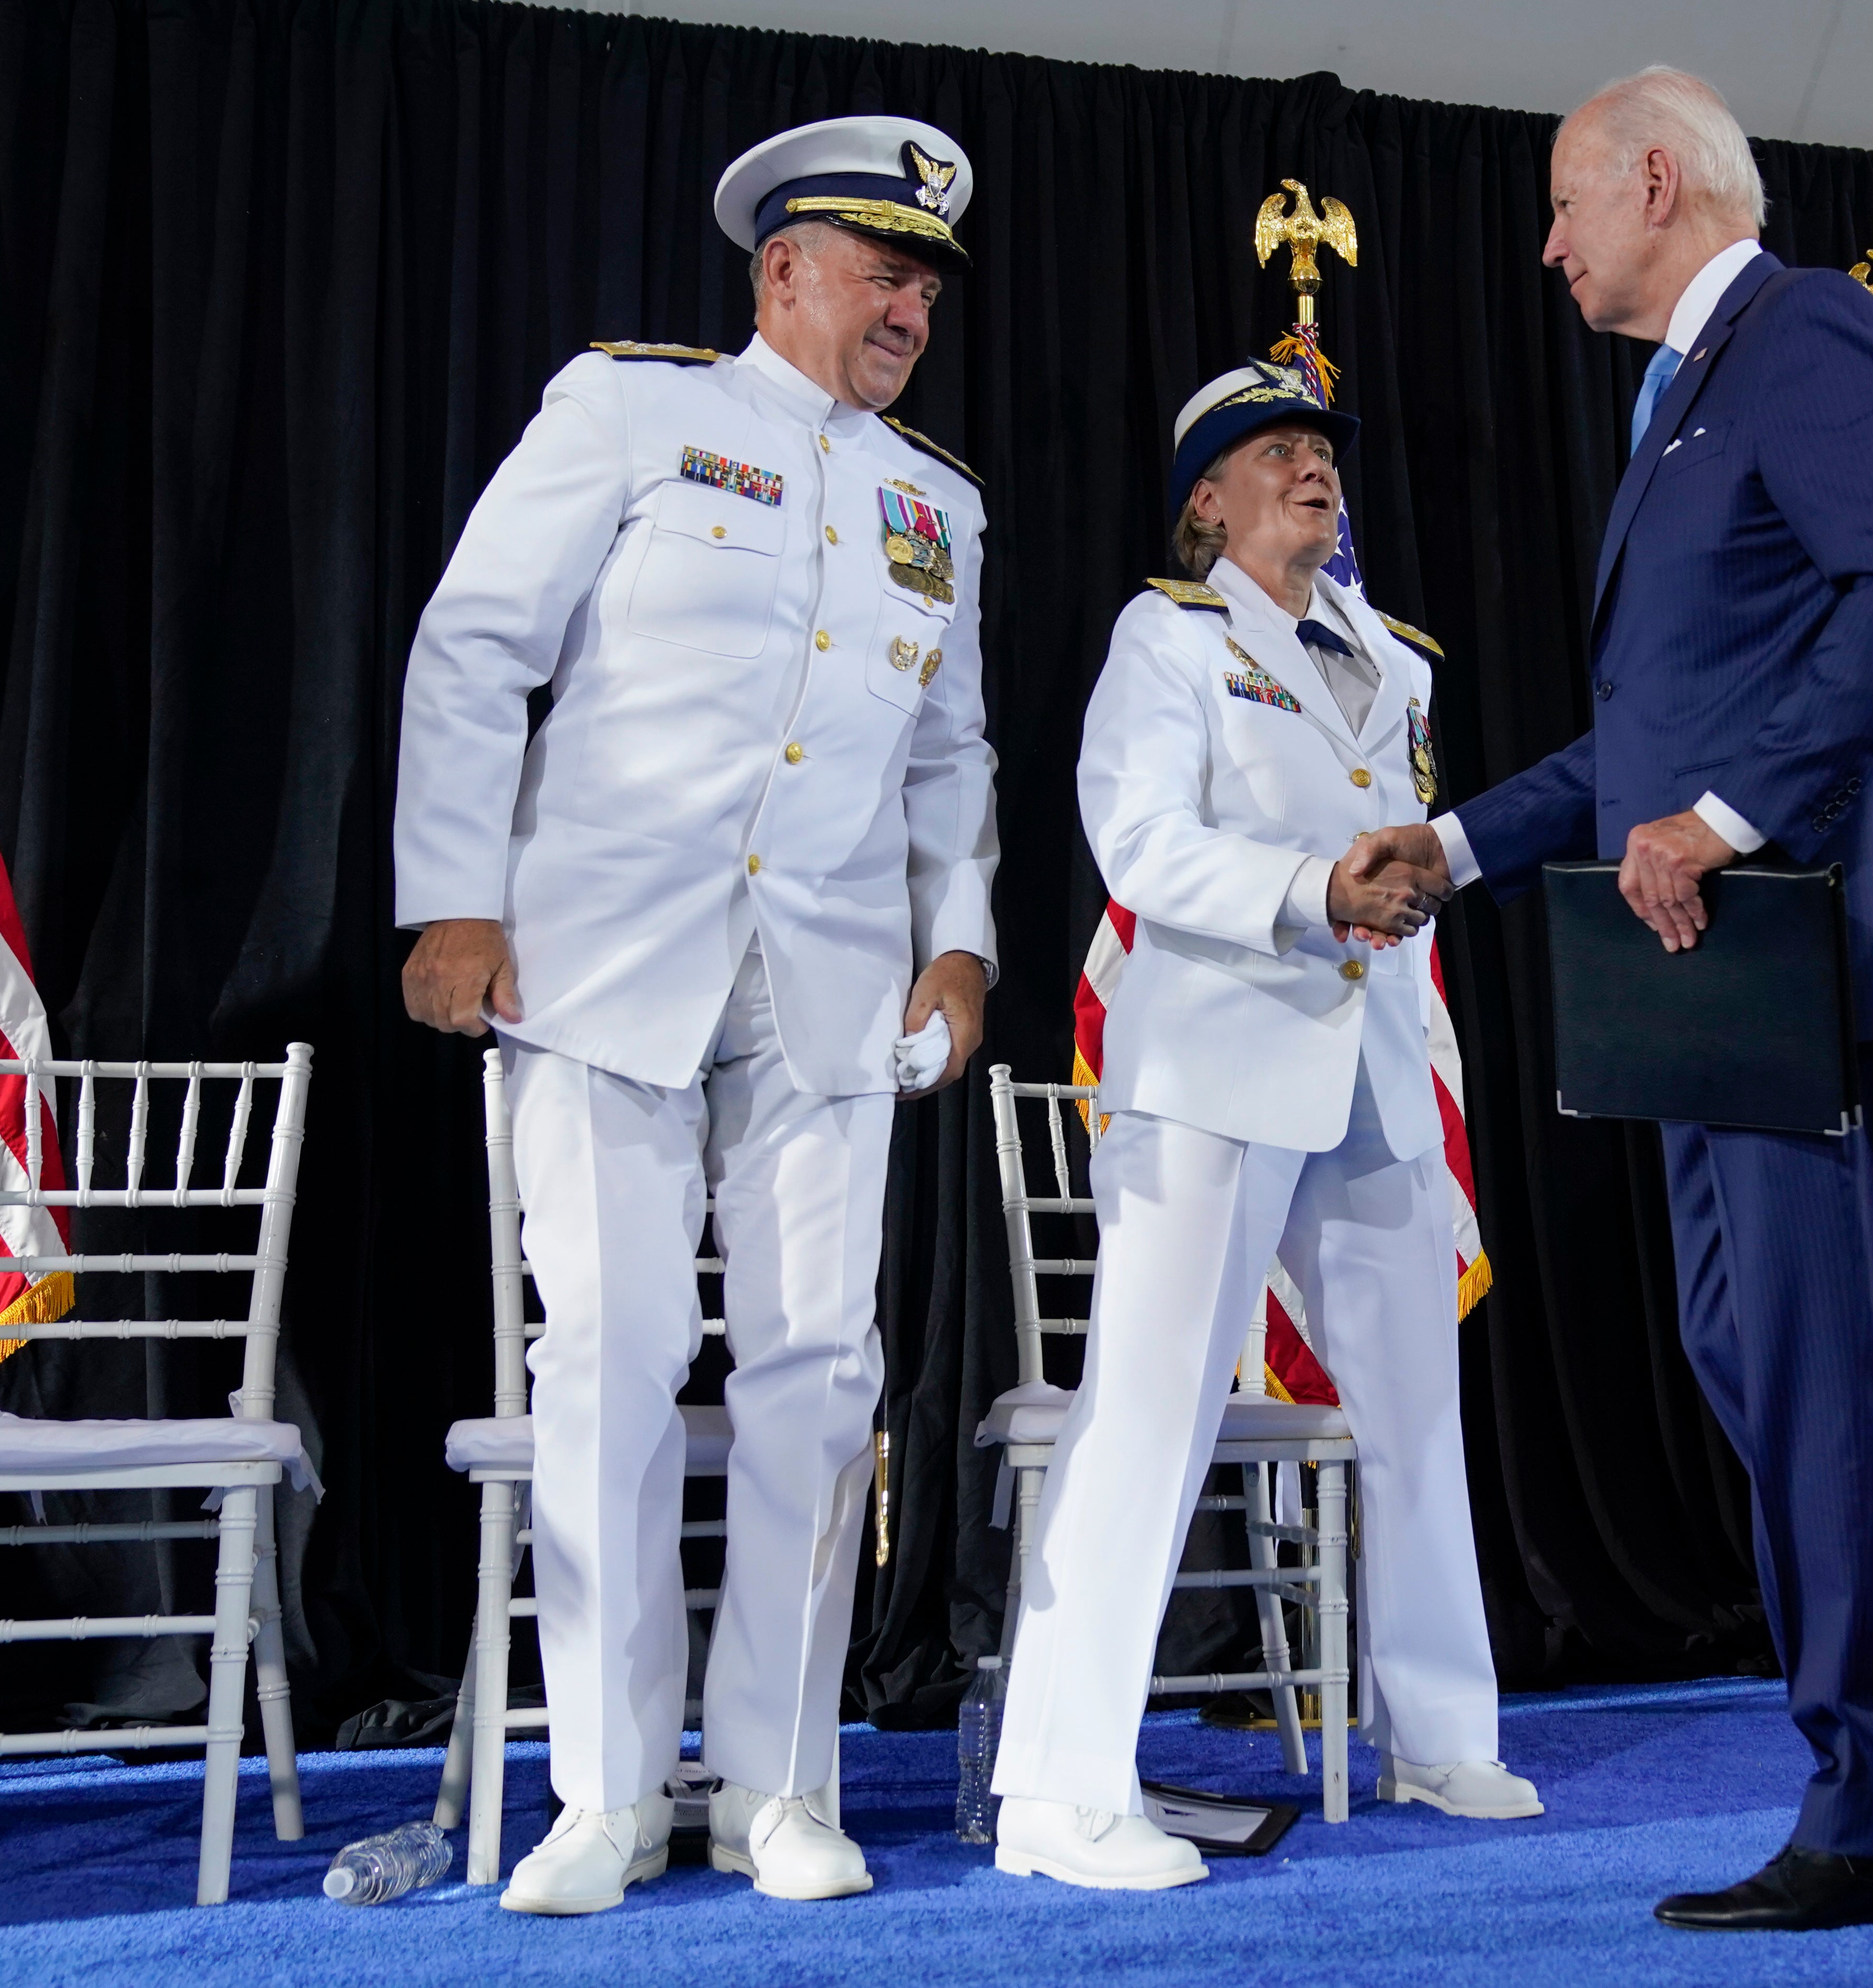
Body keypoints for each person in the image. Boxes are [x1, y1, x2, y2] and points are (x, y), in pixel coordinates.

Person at [1348, 67, 1873, 1932]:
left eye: (1565, 205)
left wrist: (1731, 815)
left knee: (1809, 1373)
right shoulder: (1680, 394)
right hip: (1705, 966)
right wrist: (1456, 844)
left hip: (1789, 941)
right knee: (1751, 1358)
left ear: (1659, 179)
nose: (1548, 244)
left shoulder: (1804, 330)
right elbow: (1653, 732)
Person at [393, 114, 999, 1914]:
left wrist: (955, 946)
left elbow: (952, 757)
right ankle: (602, 1787)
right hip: (597, 959)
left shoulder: (939, 504)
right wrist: (453, 897)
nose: (907, 303)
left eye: (929, 282)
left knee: (824, 1372)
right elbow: (475, 641)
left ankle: (779, 1785)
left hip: (827, 990)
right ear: (781, 272)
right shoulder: (633, 412)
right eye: (879, 268)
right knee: (613, 1359)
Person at [985, 359, 1539, 1892]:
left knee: (1418, 1414)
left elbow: (1408, 843)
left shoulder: (1392, 656)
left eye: (1321, 450)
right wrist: (1314, 892)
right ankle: (1059, 1787)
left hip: (1373, 1063)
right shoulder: (1165, 641)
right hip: (1221, 1068)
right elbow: (1143, 845)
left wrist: (1423, 880)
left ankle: (1439, 1732)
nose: (1312, 470)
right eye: (1272, 452)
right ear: (1207, 502)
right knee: (1149, 1416)